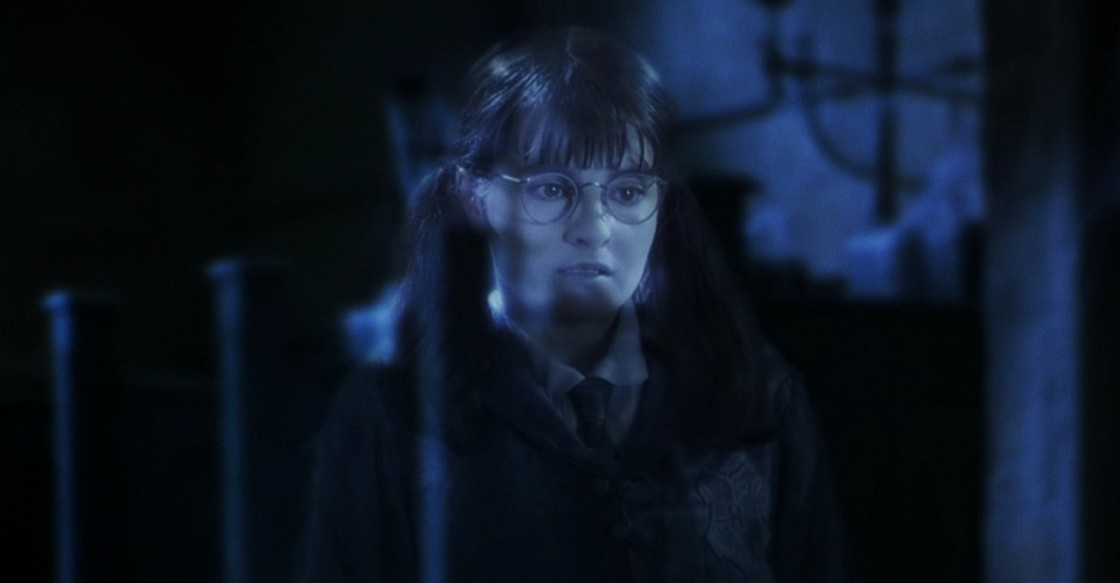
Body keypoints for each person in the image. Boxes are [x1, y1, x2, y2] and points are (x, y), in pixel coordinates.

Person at [299, 26, 850, 582]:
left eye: (627, 191)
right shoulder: (391, 416)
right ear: (476, 196)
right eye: (552, 188)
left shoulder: (752, 396)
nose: (596, 228)